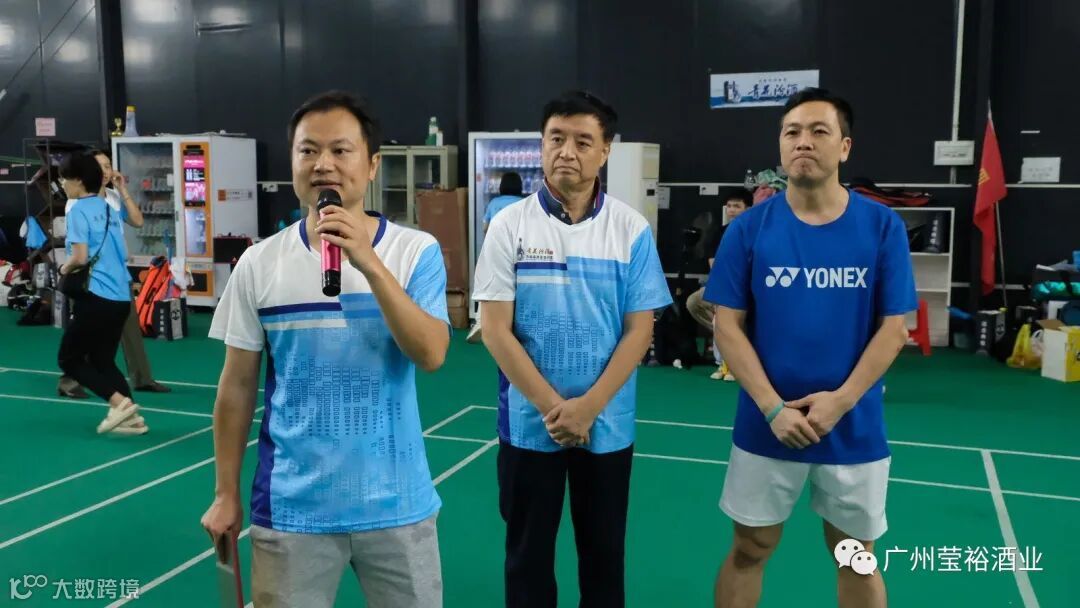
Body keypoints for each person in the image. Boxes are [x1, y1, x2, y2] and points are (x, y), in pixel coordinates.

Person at [200, 90, 451, 608]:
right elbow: (237, 385)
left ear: (372, 164)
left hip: (397, 505)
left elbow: (431, 354)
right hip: (293, 512)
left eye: (340, 150)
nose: (323, 164)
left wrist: (368, 262)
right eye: (308, 150)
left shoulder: (414, 251)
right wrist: (226, 492)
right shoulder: (259, 263)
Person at [705, 88, 916, 608]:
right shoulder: (748, 230)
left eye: (819, 131)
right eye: (792, 132)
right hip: (766, 423)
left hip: (853, 425)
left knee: (854, 555)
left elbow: (894, 329)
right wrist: (773, 408)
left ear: (844, 147)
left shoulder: (882, 227)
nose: (803, 141)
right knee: (750, 548)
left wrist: (840, 401)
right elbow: (727, 326)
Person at [472, 90, 672, 608]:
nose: (567, 151)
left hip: (607, 425)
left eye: (583, 141)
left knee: (604, 559)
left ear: (605, 151)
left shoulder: (630, 229)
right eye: (556, 139)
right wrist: (554, 409)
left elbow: (640, 331)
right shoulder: (508, 226)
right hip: (528, 425)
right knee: (527, 560)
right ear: (541, 146)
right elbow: (495, 330)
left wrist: (588, 408)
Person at [57, 149, 170, 399]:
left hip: (107, 282)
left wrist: (63, 269)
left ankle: (129, 393)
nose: (106, 171)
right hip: (96, 283)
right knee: (94, 351)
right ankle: (76, 382)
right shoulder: (79, 205)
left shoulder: (110, 200)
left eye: (109, 166)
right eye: (101, 167)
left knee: (86, 351)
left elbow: (137, 222)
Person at [685, 189, 752, 380]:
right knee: (694, 301)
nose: (731, 210)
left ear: (748, 208)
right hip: (725, 286)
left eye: (737, 206)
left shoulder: (756, 232)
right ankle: (728, 339)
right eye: (729, 206)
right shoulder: (719, 233)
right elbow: (714, 265)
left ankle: (741, 346)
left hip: (749, 288)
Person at [467, 171, 526, 344]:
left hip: (497, 249)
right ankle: (513, 324)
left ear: (502, 186)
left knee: (488, 282)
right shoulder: (524, 203)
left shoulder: (494, 203)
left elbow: (485, 227)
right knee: (516, 287)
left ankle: (481, 320)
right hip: (520, 251)